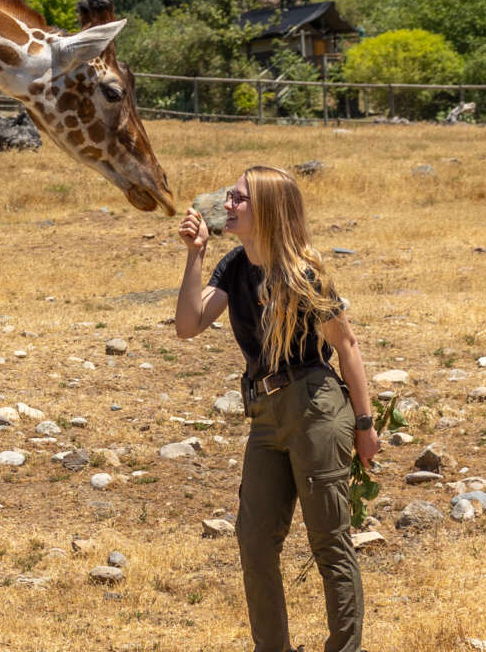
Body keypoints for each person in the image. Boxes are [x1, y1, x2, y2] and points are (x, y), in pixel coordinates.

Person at [175, 165, 378, 652]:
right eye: (229, 196)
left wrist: (366, 424)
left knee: (330, 543)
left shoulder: (303, 273)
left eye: (238, 198)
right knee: (255, 542)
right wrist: (196, 256)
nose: (227, 204)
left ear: (265, 209)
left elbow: (346, 347)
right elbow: (188, 325)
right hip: (264, 414)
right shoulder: (234, 266)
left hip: (315, 408)